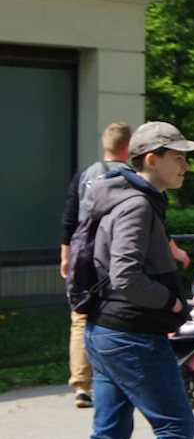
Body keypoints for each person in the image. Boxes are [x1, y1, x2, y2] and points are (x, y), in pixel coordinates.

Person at [61, 121, 194, 439]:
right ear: (150, 159)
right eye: (177, 155)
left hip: (104, 332)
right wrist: (173, 302)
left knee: (107, 436)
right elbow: (125, 275)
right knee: (177, 428)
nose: (185, 163)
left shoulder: (119, 197)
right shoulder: (137, 203)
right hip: (130, 334)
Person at [59, 122, 133, 408]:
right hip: (116, 255)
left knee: (80, 317)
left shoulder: (84, 175)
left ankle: (81, 385)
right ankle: (117, 379)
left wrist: (65, 256)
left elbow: (68, 218)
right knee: (119, 315)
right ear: (126, 147)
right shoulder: (130, 177)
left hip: (83, 254)